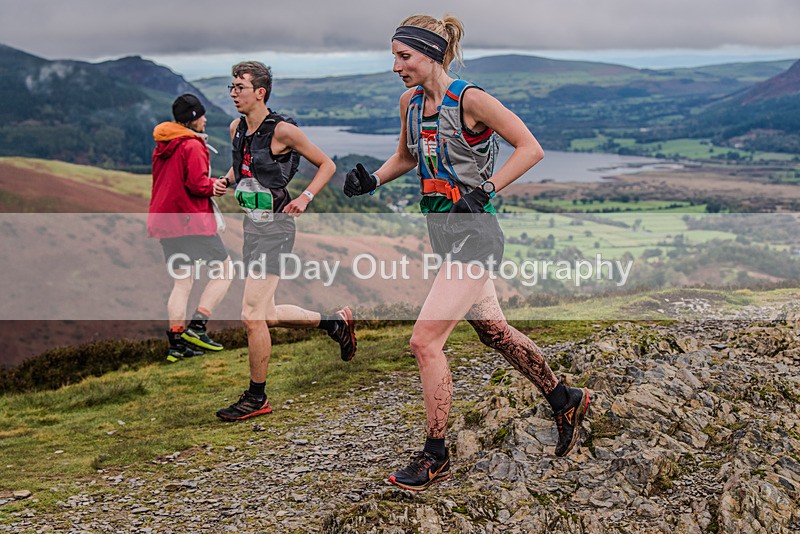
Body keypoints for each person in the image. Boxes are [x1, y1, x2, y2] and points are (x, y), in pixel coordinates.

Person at [343, 14, 590, 491]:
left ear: (432, 53)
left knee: (423, 342)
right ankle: (565, 399)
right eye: (394, 56)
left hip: (476, 234)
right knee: (495, 333)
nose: (395, 66)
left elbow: (530, 147)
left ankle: (436, 454)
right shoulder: (409, 103)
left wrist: (487, 188)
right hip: (444, 234)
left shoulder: (471, 100)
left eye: (404, 56)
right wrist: (371, 180)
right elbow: (408, 157)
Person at [213, 61, 356, 421]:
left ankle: (257, 397)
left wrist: (305, 197)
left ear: (260, 92)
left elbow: (326, 164)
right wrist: (224, 181)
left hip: (276, 227)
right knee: (269, 314)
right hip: (252, 224)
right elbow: (242, 167)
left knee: (251, 316)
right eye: (231, 87)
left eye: (239, 87)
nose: (233, 93)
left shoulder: (283, 131)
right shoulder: (237, 128)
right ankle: (334, 323)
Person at [148, 94, 233, 363]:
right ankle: (198, 327)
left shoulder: (164, 143)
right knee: (226, 270)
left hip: (165, 223)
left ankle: (176, 344)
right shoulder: (192, 146)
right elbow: (196, 184)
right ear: (194, 118)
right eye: (202, 116)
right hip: (190, 221)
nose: (206, 120)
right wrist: (215, 186)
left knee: (182, 281)